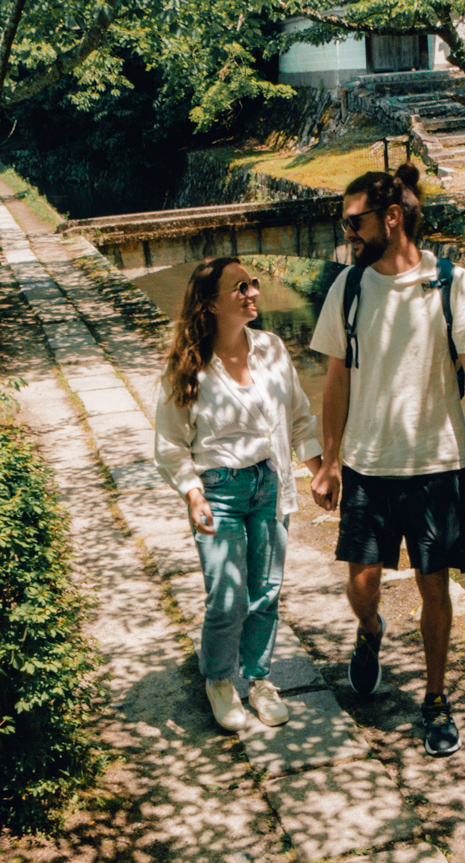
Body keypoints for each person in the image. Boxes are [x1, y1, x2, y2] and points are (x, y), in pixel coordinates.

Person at [307, 165, 465, 758]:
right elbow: (336, 378)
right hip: (368, 467)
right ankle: (370, 633)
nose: (349, 235)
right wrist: (330, 460)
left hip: (438, 466)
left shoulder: (452, 284)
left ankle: (436, 701)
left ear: (391, 218)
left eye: (355, 222)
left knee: (433, 586)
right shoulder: (348, 288)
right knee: (362, 583)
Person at [155, 257, 323, 732]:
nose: (252, 292)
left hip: (270, 483)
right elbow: (170, 443)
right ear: (210, 304)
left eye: (252, 283)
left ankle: (259, 679)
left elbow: (299, 416)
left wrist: (319, 470)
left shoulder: (270, 348)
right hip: (219, 491)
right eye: (239, 288)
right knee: (227, 595)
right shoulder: (188, 366)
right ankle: (218, 679)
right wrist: (192, 493)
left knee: (265, 592)